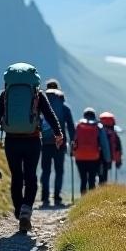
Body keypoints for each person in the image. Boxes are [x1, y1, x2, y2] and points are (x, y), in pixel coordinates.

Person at [0, 67, 63, 233]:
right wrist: (58, 134)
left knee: (16, 176)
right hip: (33, 140)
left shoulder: (5, 94)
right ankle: (26, 211)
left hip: (12, 141)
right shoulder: (38, 94)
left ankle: (18, 210)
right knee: (30, 176)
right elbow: (50, 115)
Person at [40, 79, 75, 207]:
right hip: (60, 142)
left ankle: (44, 198)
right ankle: (57, 198)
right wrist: (72, 142)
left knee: (46, 171)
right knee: (59, 170)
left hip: (44, 142)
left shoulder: (41, 104)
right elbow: (71, 126)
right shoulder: (64, 106)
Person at [73, 108, 110, 194]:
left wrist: (72, 152)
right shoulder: (98, 126)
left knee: (83, 179)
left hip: (80, 157)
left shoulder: (78, 125)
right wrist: (107, 159)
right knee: (92, 179)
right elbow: (104, 144)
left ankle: (83, 199)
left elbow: (73, 140)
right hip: (94, 157)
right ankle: (90, 201)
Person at [98, 111, 124, 183]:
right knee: (104, 176)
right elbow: (118, 148)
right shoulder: (114, 135)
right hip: (108, 158)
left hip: (96, 157)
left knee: (98, 174)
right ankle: (103, 189)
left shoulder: (97, 131)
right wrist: (118, 161)